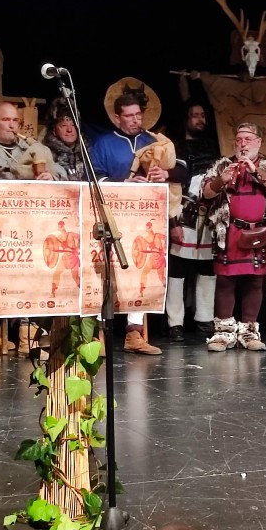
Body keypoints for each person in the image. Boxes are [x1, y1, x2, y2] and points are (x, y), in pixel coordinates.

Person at [0, 102, 60, 362]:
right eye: (6, 120)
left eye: (15, 121)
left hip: (26, 226)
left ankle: (27, 341)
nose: (12, 125)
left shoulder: (31, 147)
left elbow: (58, 171)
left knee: (28, 282)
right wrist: (24, 183)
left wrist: (49, 178)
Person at [88, 89, 170, 355]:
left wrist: (163, 173)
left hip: (144, 218)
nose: (135, 120)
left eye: (138, 114)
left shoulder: (152, 140)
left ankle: (134, 335)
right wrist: (122, 184)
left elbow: (181, 166)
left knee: (141, 271)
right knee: (107, 273)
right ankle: (99, 335)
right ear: (117, 117)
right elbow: (94, 177)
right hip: (111, 216)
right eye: (129, 116)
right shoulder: (103, 143)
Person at [200, 122, 266, 352]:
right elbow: (206, 191)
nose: (243, 144)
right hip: (229, 231)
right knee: (225, 281)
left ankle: (249, 332)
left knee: (254, 281)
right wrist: (222, 179)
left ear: (258, 142)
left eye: (248, 139)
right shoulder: (222, 164)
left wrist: (256, 172)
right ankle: (223, 333)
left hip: (259, 233)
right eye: (239, 140)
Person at [165, 101, 221, 341]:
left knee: (208, 270)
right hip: (183, 212)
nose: (200, 120)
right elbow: (172, 187)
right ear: (186, 118)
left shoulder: (213, 146)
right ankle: (174, 323)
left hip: (209, 216)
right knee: (177, 271)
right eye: (195, 116)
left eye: (202, 116)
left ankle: (204, 318)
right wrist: (173, 222)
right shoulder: (175, 147)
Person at [42, 98, 87, 181]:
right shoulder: (45, 153)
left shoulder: (88, 152)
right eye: (63, 125)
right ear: (54, 130)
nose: (69, 130)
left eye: (73, 125)